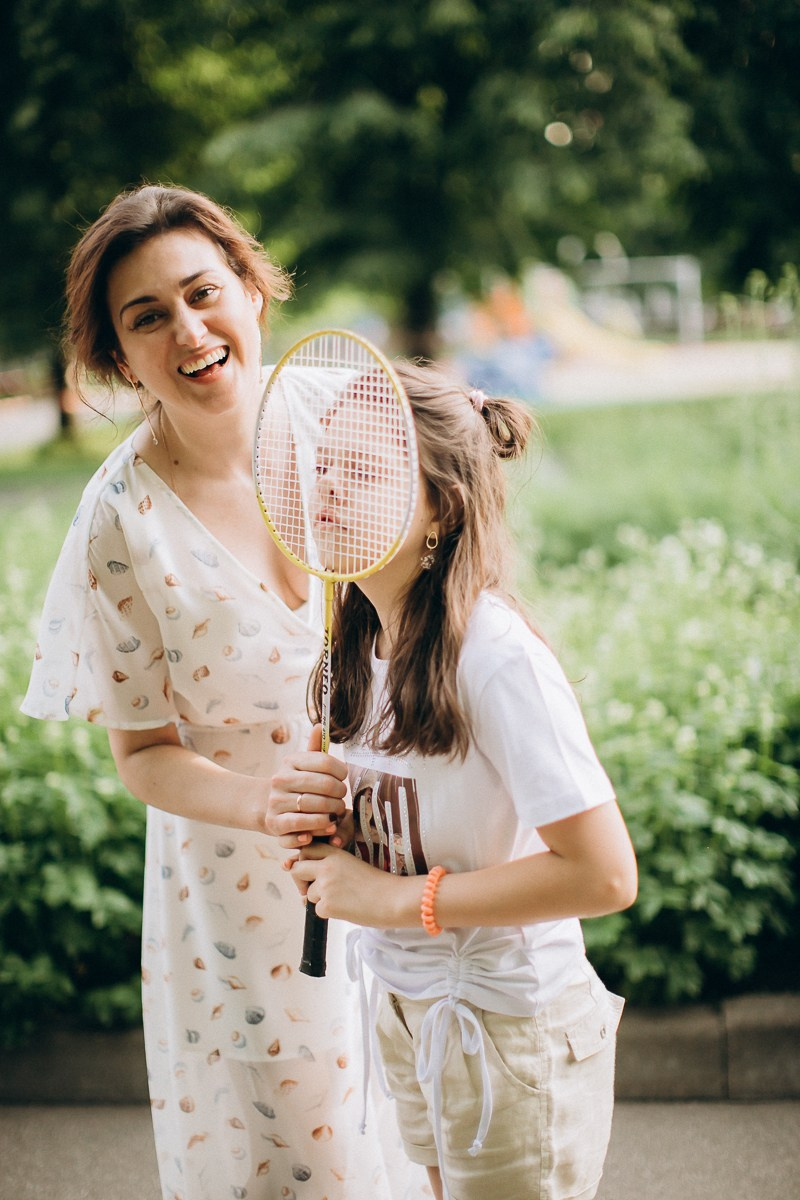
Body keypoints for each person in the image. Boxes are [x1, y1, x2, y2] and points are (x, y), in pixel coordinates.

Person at [22, 184, 428, 1200]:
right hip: (243, 897)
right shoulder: (120, 519)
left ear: (253, 291)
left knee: (433, 1141)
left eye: (204, 293)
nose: (189, 331)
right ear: (117, 357)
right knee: (304, 1161)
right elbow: (142, 753)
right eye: (146, 317)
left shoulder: (342, 427)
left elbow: (444, 617)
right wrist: (264, 803)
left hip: (405, 840)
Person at [268, 361, 638, 1200]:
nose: (327, 483)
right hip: (407, 1009)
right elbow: (391, 845)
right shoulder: (349, 656)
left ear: (441, 510)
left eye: (362, 469)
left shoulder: (495, 658)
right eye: (324, 460)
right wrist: (326, 836)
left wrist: (395, 902)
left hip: (509, 1026)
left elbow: (605, 874)